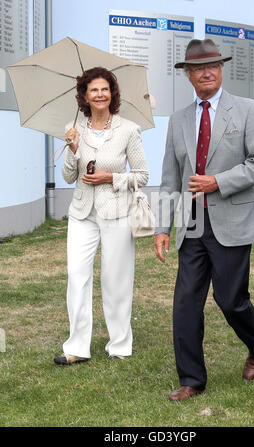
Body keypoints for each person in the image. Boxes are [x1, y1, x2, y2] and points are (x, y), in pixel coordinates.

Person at [154, 39, 254, 401]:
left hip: (233, 222)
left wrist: (217, 182)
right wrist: (162, 227)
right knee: (185, 303)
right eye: (198, 68)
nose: (206, 72)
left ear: (221, 70)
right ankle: (191, 379)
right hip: (192, 224)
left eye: (213, 66)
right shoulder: (177, 120)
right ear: (188, 75)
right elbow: (171, 178)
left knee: (230, 300)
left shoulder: (248, 110)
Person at [54, 67, 149, 365]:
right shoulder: (75, 129)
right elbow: (69, 176)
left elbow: (143, 175)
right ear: (84, 96)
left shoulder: (129, 130)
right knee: (77, 276)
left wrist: (111, 177)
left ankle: (120, 344)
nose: (99, 94)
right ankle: (77, 347)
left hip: (117, 211)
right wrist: (72, 148)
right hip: (82, 212)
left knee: (116, 279)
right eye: (93, 90)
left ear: (112, 94)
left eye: (104, 89)